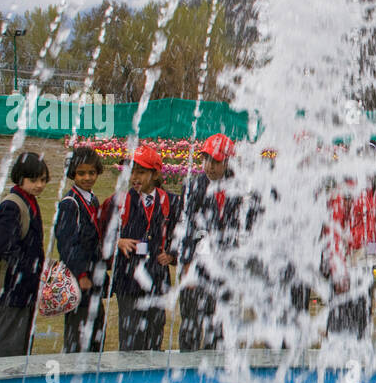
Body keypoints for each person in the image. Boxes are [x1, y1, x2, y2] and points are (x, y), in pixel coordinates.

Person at [103, 144, 177, 351]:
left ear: (155, 174)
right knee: (130, 336)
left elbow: (181, 233)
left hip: (157, 279)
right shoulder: (118, 201)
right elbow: (102, 235)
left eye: (141, 172)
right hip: (128, 281)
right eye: (132, 171)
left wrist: (172, 255)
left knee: (155, 333)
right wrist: (118, 242)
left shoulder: (170, 201)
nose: (135, 177)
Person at [177, 133, 241, 351]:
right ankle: (187, 366)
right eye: (206, 160)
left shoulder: (239, 189)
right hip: (196, 265)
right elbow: (185, 227)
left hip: (224, 266)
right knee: (191, 320)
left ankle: (215, 361)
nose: (210, 167)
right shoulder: (193, 188)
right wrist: (186, 263)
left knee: (218, 320)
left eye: (216, 161)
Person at [324, 140, 376, 338]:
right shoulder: (344, 192)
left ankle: (360, 352)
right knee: (341, 318)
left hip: (365, 265)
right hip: (346, 264)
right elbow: (333, 230)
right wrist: (338, 268)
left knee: (362, 317)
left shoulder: (374, 194)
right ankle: (335, 358)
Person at [0, 152, 48, 358]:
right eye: (33, 180)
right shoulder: (11, 205)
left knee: (24, 342)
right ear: (20, 177)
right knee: (10, 345)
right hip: (13, 286)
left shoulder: (30, 201)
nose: (39, 185)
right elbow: (7, 248)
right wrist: (29, 270)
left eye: (43, 180)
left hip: (28, 286)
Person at [55, 146, 108, 353]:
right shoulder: (70, 204)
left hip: (94, 276)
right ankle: (74, 378)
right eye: (81, 173)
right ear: (72, 174)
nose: (87, 177)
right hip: (80, 280)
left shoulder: (91, 199)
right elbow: (67, 244)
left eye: (91, 173)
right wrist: (81, 274)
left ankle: (93, 377)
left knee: (96, 329)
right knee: (79, 332)